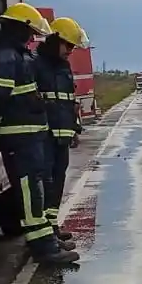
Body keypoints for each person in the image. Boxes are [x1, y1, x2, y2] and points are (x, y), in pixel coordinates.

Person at [0, 3, 78, 266]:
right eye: (30, 31)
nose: (32, 37)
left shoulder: (15, 55)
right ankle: (44, 249)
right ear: (19, 28)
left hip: (31, 135)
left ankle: (47, 242)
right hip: (20, 136)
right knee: (30, 194)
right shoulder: (6, 57)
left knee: (36, 192)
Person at [36, 16, 86, 247]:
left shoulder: (64, 68)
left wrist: (74, 129)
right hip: (44, 136)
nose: (71, 51)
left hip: (62, 137)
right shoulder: (36, 65)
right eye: (68, 46)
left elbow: (68, 101)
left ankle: (53, 225)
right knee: (45, 183)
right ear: (55, 41)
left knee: (58, 181)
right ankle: (45, 231)